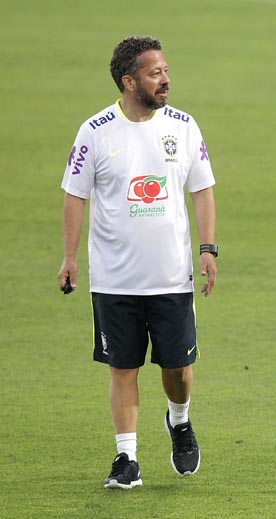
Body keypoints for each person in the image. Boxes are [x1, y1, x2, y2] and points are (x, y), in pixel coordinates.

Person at [57, 35, 218, 490]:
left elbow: (201, 189)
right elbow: (75, 196)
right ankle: (126, 457)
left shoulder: (183, 126)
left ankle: (179, 421)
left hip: (170, 276)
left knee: (177, 371)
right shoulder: (95, 131)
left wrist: (208, 249)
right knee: (122, 366)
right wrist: (69, 258)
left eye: (165, 70)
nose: (165, 79)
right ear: (129, 81)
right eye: (154, 73)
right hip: (114, 278)